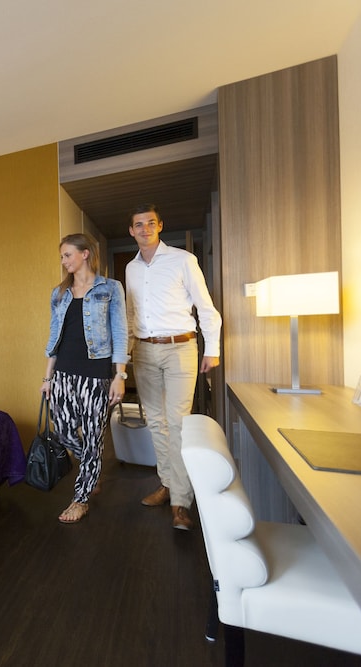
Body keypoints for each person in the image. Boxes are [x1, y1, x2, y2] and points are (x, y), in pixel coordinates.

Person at [125, 204, 222, 531]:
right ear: (132, 231)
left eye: (150, 223)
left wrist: (213, 349)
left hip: (181, 348)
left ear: (160, 226)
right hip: (144, 350)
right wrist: (126, 355)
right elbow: (131, 315)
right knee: (155, 422)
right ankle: (167, 483)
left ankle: (181, 501)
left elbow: (206, 308)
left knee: (178, 422)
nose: (145, 229)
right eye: (139, 224)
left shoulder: (183, 260)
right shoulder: (131, 269)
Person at [42, 233, 128, 524]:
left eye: (67, 255)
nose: (63, 261)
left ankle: (81, 498)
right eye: (62, 256)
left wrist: (119, 375)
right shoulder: (59, 293)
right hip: (63, 372)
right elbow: (54, 338)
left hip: (95, 374)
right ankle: (92, 468)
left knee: (93, 437)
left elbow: (120, 333)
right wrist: (47, 378)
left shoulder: (110, 288)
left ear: (85, 254)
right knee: (64, 432)